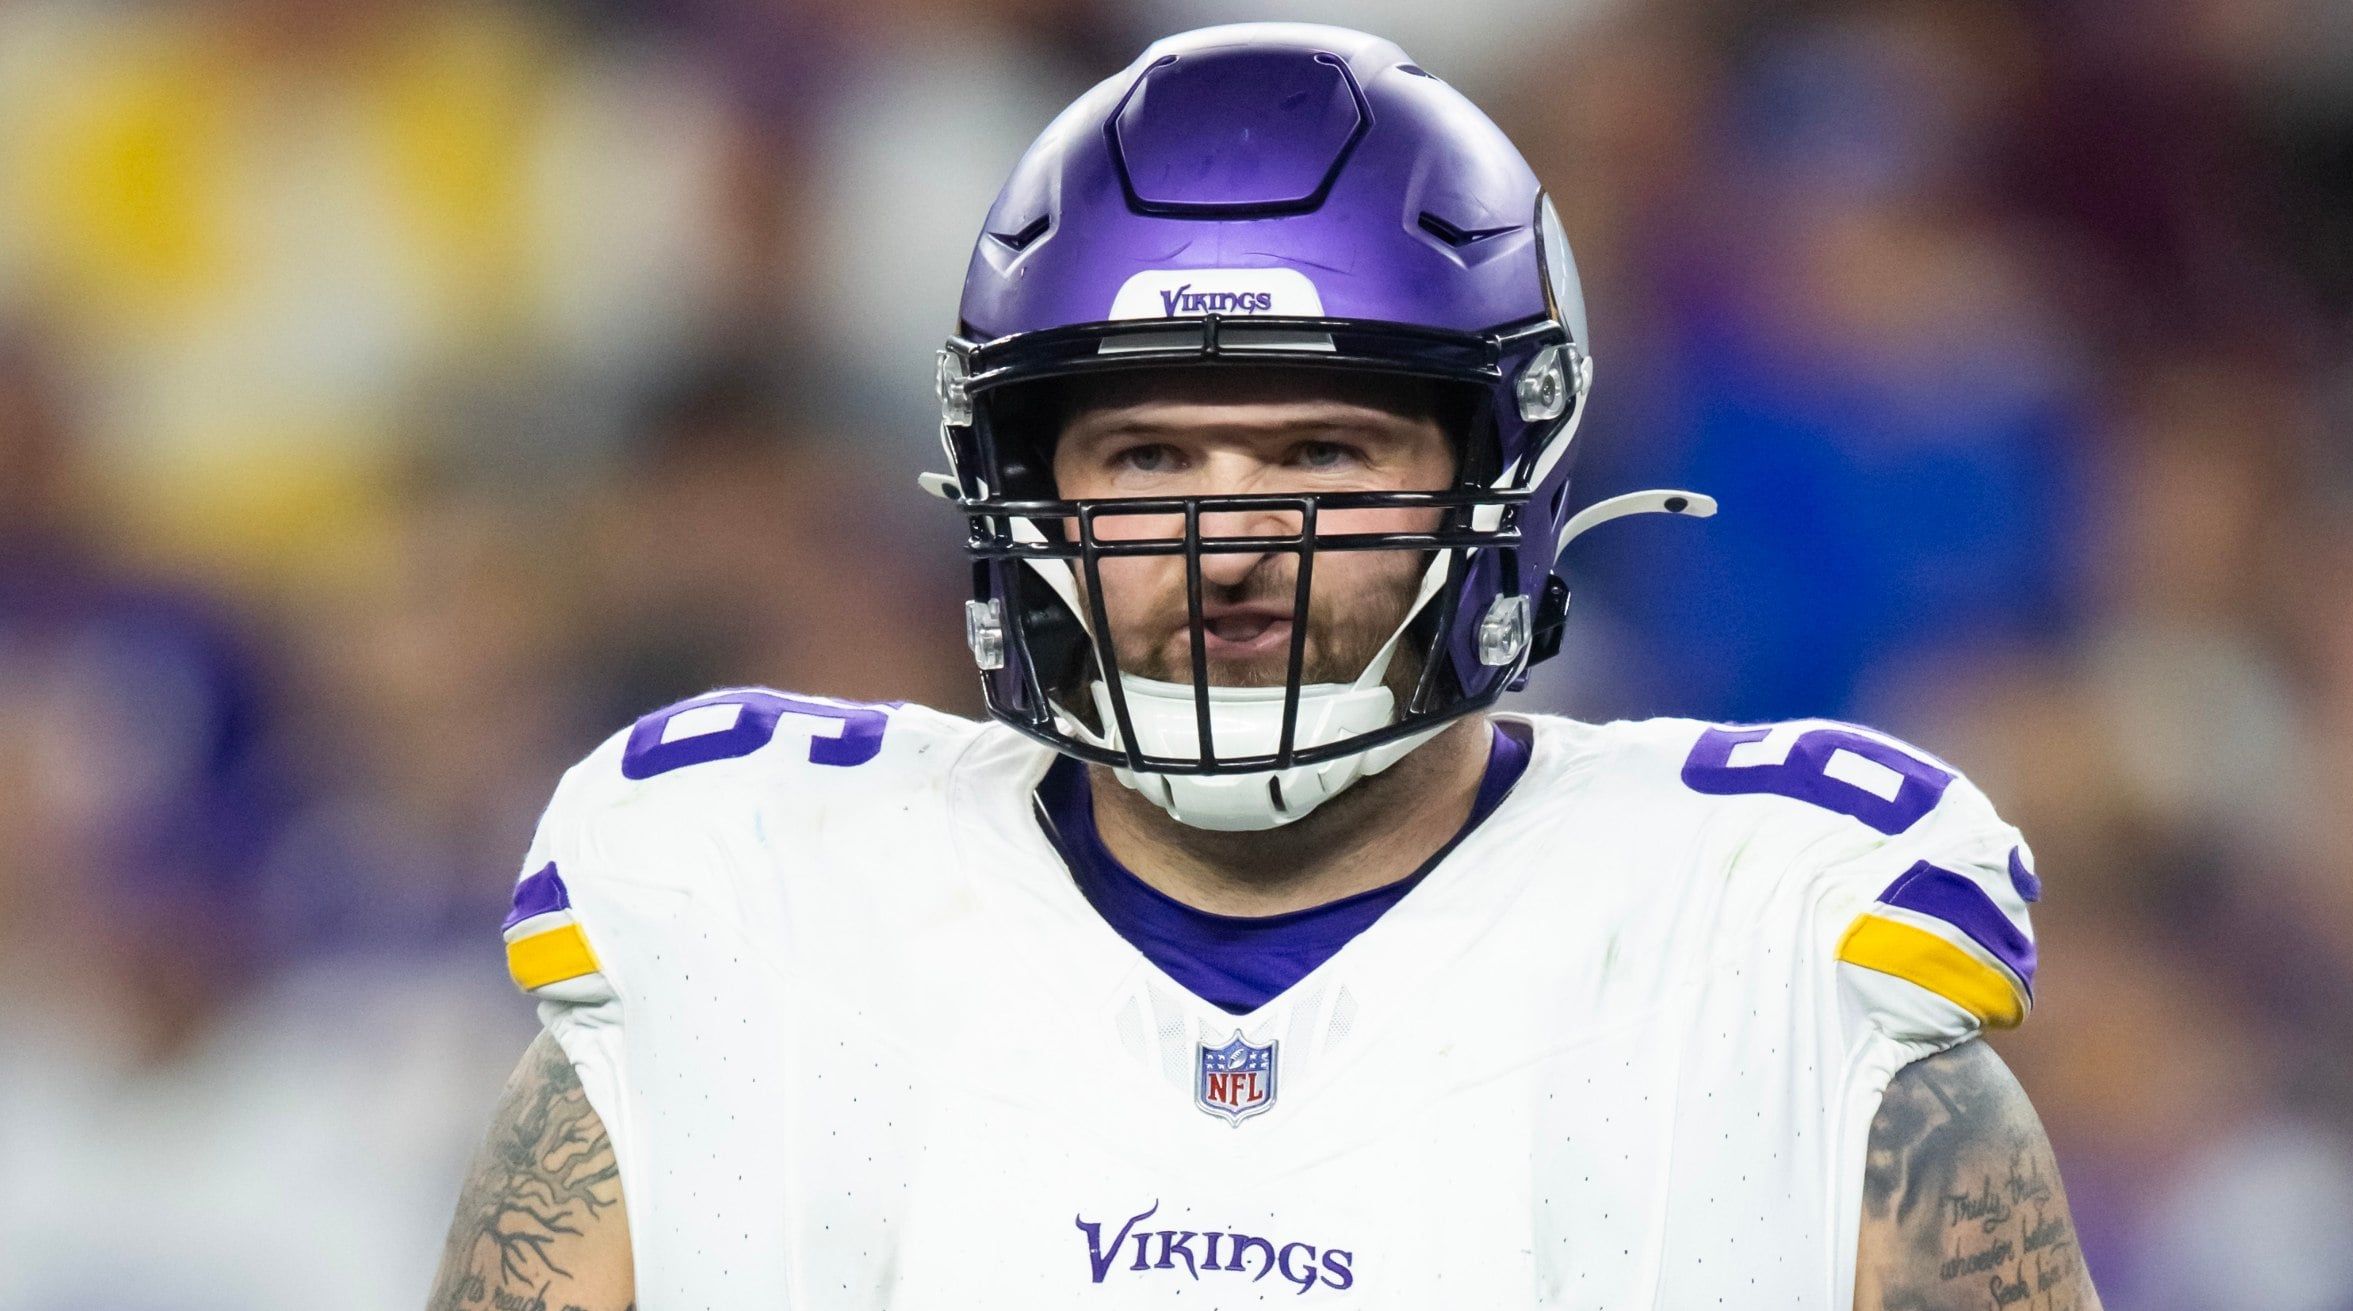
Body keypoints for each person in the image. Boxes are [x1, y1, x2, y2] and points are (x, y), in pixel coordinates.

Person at [428, 24, 2099, 1310]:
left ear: (1502, 477)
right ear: (1027, 493)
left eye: (1323, 453)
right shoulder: (751, 909)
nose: (1229, 545)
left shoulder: (1763, 952)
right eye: (1148, 459)